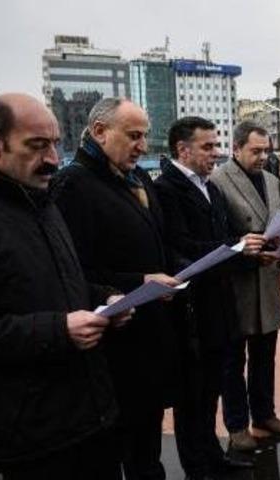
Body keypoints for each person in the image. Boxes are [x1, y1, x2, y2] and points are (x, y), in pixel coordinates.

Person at [0, 93, 128, 479]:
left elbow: (59, 282)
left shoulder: (42, 200)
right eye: (37, 145)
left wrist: (103, 299)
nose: (52, 158)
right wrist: (59, 330)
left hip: (90, 416)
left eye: (55, 143)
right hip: (29, 436)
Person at [53, 97, 180, 479]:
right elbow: (71, 271)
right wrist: (137, 282)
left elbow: (158, 240)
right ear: (99, 132)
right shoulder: (73, 184)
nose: (142, 146)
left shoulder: (137, 177)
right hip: (114, 348)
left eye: (145, 136)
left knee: (147, 445)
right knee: (117, 450)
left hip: (150, 334)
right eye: (134, 135)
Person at [153, 117, 259, 477]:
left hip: (219, 306)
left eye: (216, 145)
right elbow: (179, 246)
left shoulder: (210, 188)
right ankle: (197, 467)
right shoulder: (166, 189)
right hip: (191, 310)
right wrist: (236, 248)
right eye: (208, 146)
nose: (216, 153)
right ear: (183, 150)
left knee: (212, 387)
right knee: (192, 397)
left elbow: (225, 235)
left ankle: (213, 456)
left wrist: (247, 248)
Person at [210, 121, 280, 448]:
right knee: (234, 361)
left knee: (265, 354)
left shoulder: (273, 181)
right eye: (255, 150)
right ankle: (237, 424)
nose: (262, 156)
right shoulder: (219, 181)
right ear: (236, 148)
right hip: (238, 282)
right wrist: (247, 250)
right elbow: (218, 235)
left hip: (269, 278)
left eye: (266, 150)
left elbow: (277, 223)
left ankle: (264, 413)